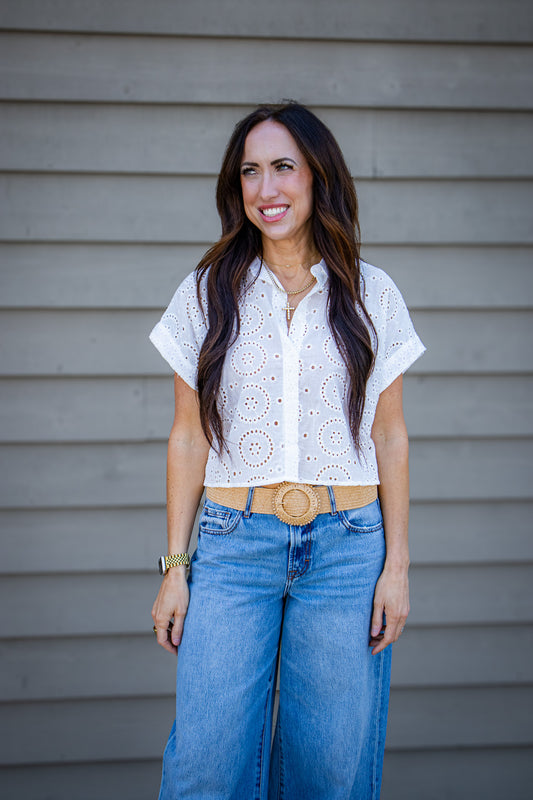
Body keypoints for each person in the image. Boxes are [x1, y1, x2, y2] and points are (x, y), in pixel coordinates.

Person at [149, 101, 425, 800]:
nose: (264, 189)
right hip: (233, 544)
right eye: (249, 171)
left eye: (281, 168)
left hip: (347, 547)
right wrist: (176, 567)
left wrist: (395, 566)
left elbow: (388, 432)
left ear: (316, 176)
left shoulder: (372, 294)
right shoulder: (204, 294)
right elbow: (188, 435)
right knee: (205, 768)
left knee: (326, 772)